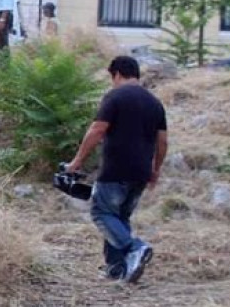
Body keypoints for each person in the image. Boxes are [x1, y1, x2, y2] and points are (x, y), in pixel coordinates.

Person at [65, 56, 168, 284]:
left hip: (116, 168)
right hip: (141, 172)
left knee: (101, 213)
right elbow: (162, 142)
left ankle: (135, 248)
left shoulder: (115, 96)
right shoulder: (154, 103)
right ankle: (118, 269)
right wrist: (156, 170)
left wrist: (77, 161)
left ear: (117, 74)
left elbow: (97, 130)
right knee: (119, 219)